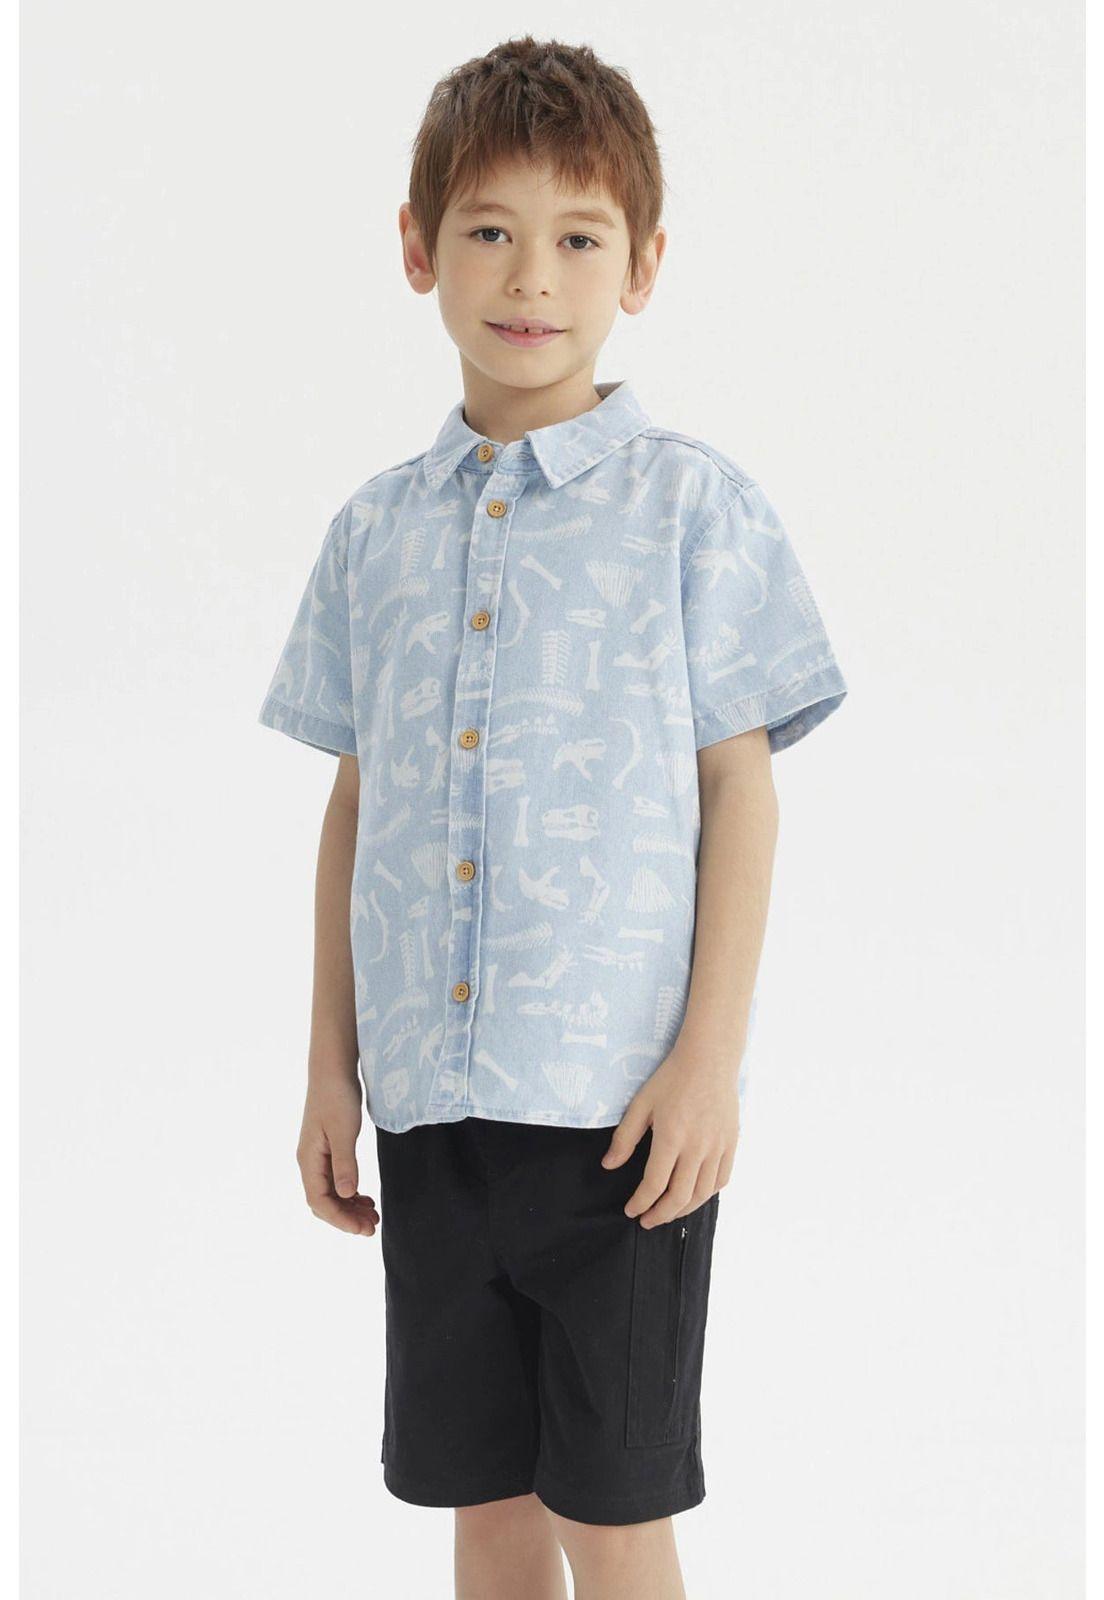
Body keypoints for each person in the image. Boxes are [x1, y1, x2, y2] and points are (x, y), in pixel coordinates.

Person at [257, 34, 847, 1600]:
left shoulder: (692, 509)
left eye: (580, 237)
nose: (532, 276)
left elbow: (741, 787)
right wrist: (329, 1066)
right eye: (490, 230)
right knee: (487, 1508)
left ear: (643, 263)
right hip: (431, 1113)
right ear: (417, 248)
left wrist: (708, 1062)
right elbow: (357, 803)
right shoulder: (374, 532)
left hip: (621, 1122)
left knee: (614, 1512)